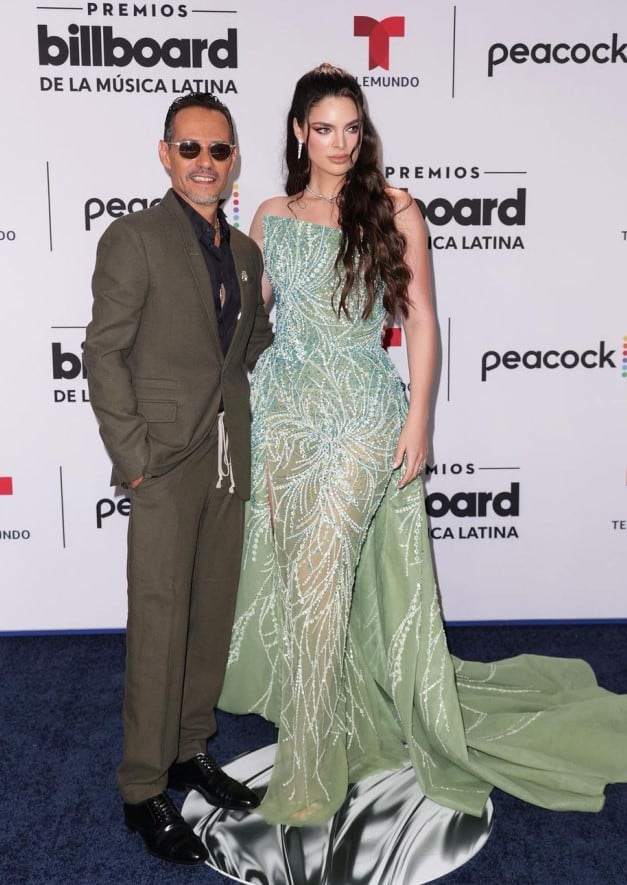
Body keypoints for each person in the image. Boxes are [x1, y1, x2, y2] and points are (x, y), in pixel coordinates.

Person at [218, 64, 627, 827]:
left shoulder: (396, 209)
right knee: (297, 578)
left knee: (317, 578)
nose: (340, 142)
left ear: (362, 132)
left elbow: (425, 320)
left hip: (360, 412)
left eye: (352, 127)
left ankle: (309, 768)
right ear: (299, 133)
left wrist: (420, 422)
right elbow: (248, 317)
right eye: (324, 127)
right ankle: (326, 709)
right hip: (283, 413)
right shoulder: (270, 213)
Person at [84, 92, 273, 864]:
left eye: (218, 151)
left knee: (210, 609)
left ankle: (191, 746)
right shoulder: (133, 237)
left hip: (228, 454)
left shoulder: (247, 252)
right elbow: (104, 352)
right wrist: (134, 456)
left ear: (234, 161)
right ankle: (141, 785)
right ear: (165, 155)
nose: (205, 163)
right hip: (161, 460)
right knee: (160, 618)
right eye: (190, 149)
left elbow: (248, 343)